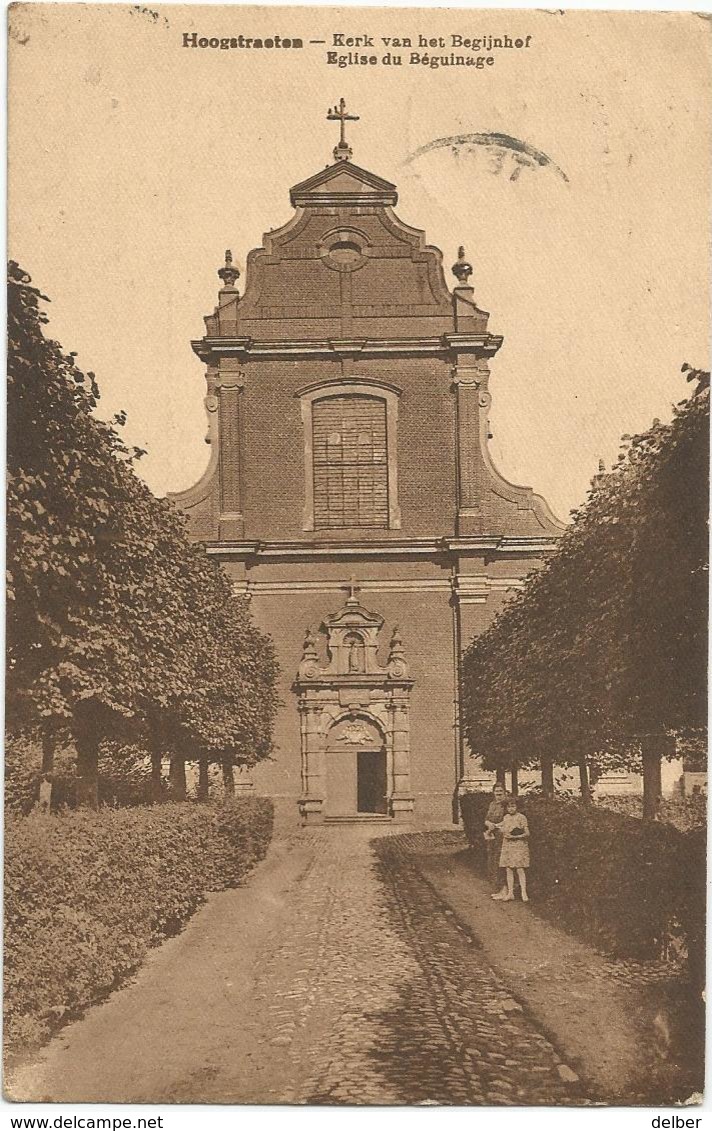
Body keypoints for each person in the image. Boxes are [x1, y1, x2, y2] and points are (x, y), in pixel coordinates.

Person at [492, 795, 530, 903]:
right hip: (508, 845)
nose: (511, 809)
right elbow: (501, 827)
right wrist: (495, 827)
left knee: (519, 868)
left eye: (513, 806)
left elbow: (527, 833)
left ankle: (523, 892)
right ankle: (510, 893)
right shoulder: (506, 817)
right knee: (508, 868)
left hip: (518, 845)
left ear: (517, 807)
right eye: (508, 807)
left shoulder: (522, 817)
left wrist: (516, 836)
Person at [483, 783, 508, 894]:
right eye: (496, 791)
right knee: (491, 858)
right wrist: (489, 824)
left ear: (504, 792)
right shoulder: (492, 804)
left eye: (500, 791)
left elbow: (508, 819)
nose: (498, 793)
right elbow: (486, 819)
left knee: (500, 858)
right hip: (492, 834)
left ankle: (503, 886)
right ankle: (495, 885)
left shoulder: (506, 804)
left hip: (502, 834)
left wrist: (496, 826)